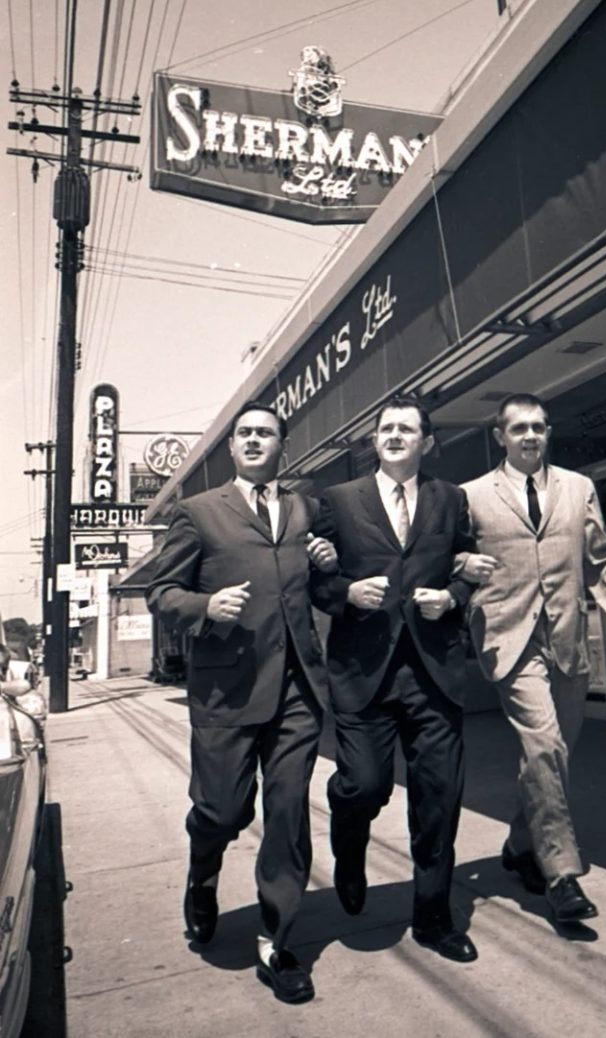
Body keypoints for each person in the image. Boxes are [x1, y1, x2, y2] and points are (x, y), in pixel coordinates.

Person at [145, 400, 337, 1005]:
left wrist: (330, 564)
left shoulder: (308, 508)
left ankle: (276, 942)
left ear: (283, 445)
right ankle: (203, 873)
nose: (254, 441)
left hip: (298, 691)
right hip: (226, 690)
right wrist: (204, 608)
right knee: (224, 811)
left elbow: (324, 588)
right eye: (244, 434)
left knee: (287, 814)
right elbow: (160, 592)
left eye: (266, 433)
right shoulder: (198, 512)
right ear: (232, 448)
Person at [459, 393, 606, 923]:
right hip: (509, 636)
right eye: (519, 428)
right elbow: (451, 559)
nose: (530, 436)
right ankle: (563, 875)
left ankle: (521, 845)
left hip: (568, 636)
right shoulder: (472, 496)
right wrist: (462, 566)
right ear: (499, 436)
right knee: (543, 743)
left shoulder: (578, 487)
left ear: (549, 433)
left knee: (555, 754)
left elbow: (598, 558)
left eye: (539, 427)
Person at [310, 396, 478, 963]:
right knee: (364, 784)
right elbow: (315, 580)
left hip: (434, 673)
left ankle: (434, 916)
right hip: (364, 672)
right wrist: (346, 595)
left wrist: (452, 597)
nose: (395, 435)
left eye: (407, 428)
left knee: (439, 799)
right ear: (373, 440)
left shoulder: (450, 499)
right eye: (386, 428)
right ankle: (350, 844)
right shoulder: (338, 501)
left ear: (426, 441)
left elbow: (468, 566)